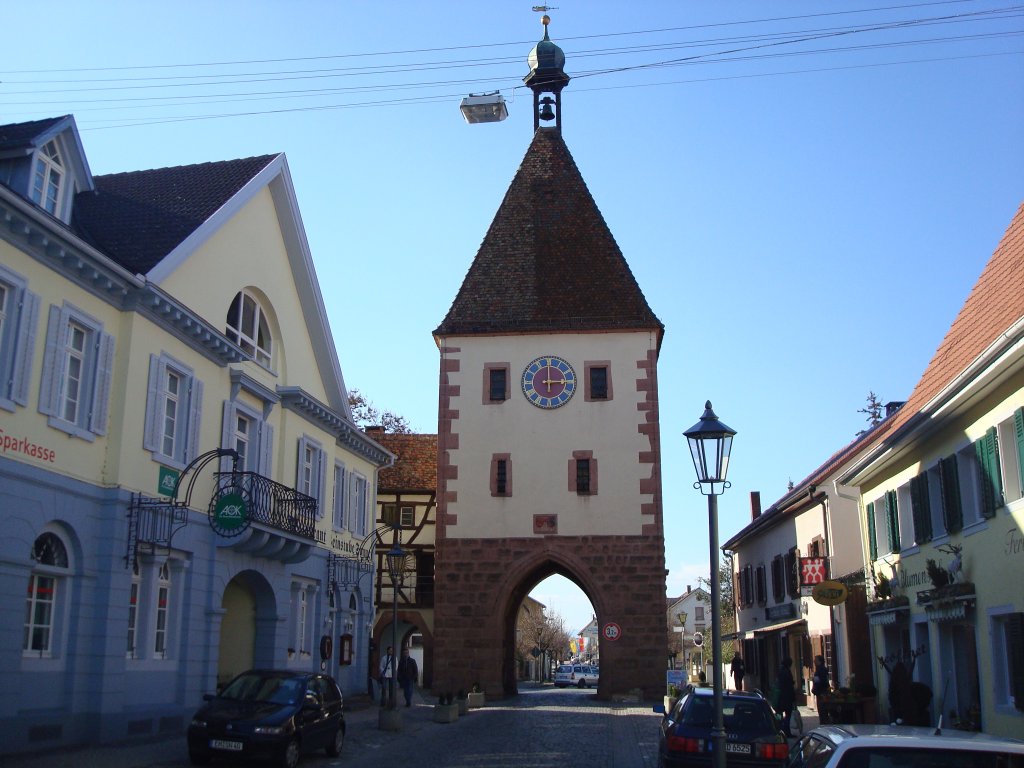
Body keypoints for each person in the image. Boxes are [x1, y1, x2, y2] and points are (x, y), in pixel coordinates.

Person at [776, 656, 797, 737]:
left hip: (782, 697)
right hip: (787, 697)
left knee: (781, 715)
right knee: (787, 715)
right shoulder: (786, 672)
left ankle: (781, 730)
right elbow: (789, 685)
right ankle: (786, 731)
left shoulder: (781, 671)